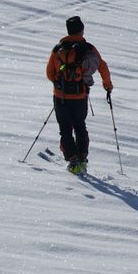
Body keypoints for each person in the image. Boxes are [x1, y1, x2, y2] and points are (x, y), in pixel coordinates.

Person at [46, 16, 113, 173]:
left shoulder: (58, 49)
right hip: (80, 96)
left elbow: (50, 73)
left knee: (65, 129)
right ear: (82, 30)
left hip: (60, 96)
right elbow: (102, 66)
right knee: (80, 126)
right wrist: (107, 85)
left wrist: (58, 83)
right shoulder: (88, 48)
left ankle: (73, 161)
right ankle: (82, 158)